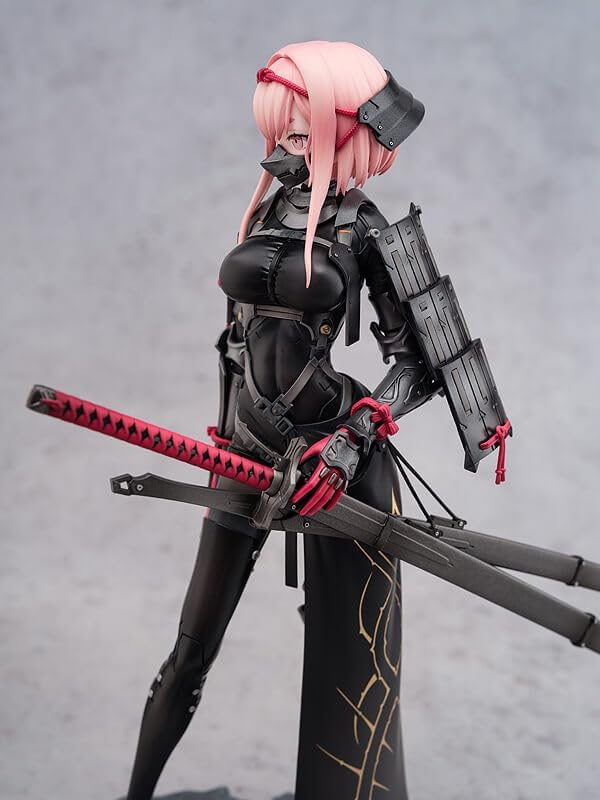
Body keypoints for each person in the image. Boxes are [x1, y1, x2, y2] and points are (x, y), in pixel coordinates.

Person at [126, 40, 437, 800]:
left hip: (330, 457)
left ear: (350, 126)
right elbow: (234, 340)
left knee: (344, 651)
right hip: (245, 445)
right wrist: (221, 427)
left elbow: (418, 365)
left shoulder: (366, 229)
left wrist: (351, 442)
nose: (289, 132)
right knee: (188, 652)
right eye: (283, 118)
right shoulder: (266, 207)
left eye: (308, 118)